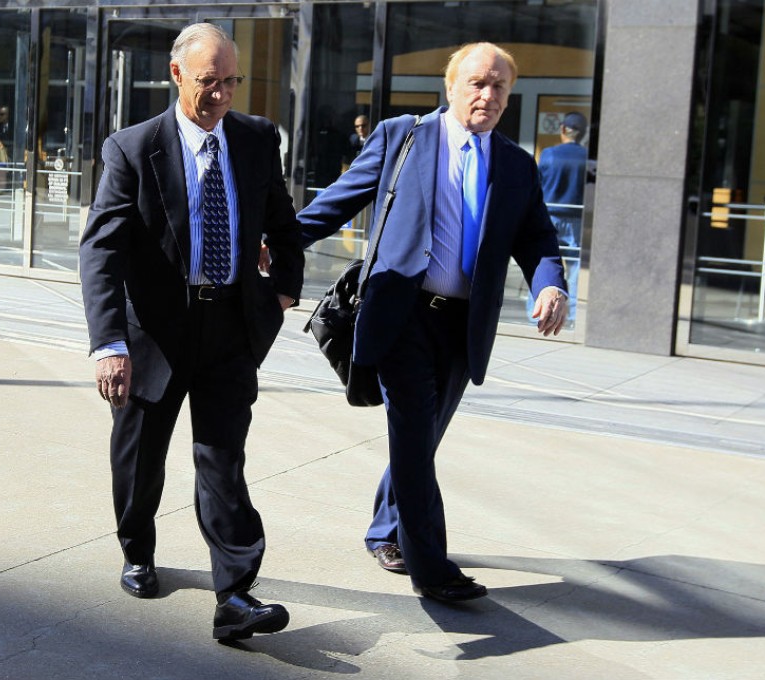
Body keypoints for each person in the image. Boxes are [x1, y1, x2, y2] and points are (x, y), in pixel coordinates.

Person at [299, 43, 568, 603]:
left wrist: (550, 284)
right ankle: (432, 568)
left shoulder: (516, 164)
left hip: (463, 327)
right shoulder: (403, 138)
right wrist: (276, 244)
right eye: (477, 83)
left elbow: (538, 238)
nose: (488, 95)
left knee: (419, 441)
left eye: (499, 86)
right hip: (403, 315)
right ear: (450, 87)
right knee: (415, 436)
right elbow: (339, 201)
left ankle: (384, 530)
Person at [79, 23, 304, 642]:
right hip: (154, 332)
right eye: (210, 81)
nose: (222, 95)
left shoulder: (256, 139)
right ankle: (137, 548)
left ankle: (235, 596)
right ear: (177, 74)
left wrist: (284, 289)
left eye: (232, 81)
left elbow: (283, 221)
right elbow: (101, 251)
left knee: (223, 460)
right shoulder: (133, 148)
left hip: (231, 325)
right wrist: (110, 344)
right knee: (140, 458)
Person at [529, 110, 588, 323]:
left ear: (563, 129)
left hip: (550, 216)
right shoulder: (586, 157)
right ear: (583, 133)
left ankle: (537, 312)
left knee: (542, 262)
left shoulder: (549, 154)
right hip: (576, 219)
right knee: (575, 267)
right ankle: (570, 313)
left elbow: (536, 186)